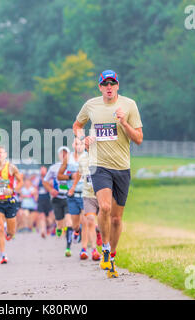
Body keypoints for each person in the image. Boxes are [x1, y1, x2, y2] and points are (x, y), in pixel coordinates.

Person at [73, 70, 143, 278]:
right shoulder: (91, 105)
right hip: (98, 165)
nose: (109, 87)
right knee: (104, 206)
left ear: (118, 86)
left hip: (122, 167)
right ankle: (103, 248)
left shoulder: (129, 105)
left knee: (116, 219)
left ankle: (111, 256)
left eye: (112, 84)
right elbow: (78, 125)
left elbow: (138, 138)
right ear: (100, 87)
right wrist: (81, 139)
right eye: (105, 84)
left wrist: (124, 123)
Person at [57, 138, 86, 258]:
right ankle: (76, 231)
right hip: (72, 194)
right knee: (75, 225)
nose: (79, 146)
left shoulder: (88, 157)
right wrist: (70, 177)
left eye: (81, 144)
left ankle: (84, 250)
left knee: (86, 221)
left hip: (85, 193)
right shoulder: (68, 158)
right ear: (73, 145)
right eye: (77, 144)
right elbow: (59, 176)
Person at [74, 143, 101, 261]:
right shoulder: (82, 158)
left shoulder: (102, 156)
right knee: (89, 221)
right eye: (87, 145)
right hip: (88, 195)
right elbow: (79, 174)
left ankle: (99, 231)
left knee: (102, 222)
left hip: (101, 194)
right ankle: (93, 249)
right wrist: (72, 187)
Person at [42, 147, 71, 256]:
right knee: (60, 223)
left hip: (69, 197)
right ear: (59, 155)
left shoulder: (72, 167)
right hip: (57, 198)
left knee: (69, 222)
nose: (63, 156)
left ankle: (68, 247)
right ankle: (58, 227)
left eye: (66, 154)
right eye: (62, 154)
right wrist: (51, 190)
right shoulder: (54, 168)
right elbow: (45, 181)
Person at [36, 166, 54, 238]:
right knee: (42, 216)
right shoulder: (38, 179)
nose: (42, 172)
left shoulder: (49, 179)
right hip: (40, 200)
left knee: (49, 218)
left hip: (48, 200)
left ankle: (50, 227)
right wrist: (36, 195)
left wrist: (48, 185)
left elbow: (52, 187)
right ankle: (43, 231)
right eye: (41, 170)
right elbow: (36, 188)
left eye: (44, 170)